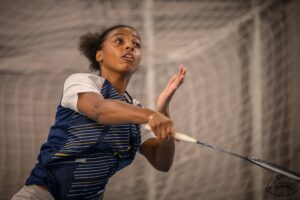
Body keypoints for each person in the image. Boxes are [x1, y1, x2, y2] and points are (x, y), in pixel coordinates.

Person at [11, 24, 187, 200]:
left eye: (137, 44)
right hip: (43, 195)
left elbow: (162, 162)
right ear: (99, 55)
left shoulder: (134, 112)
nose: (130, 46)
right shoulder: (82, 82)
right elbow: (98, 109)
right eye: (119, 40)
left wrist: (163, 110)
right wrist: (150, 115)